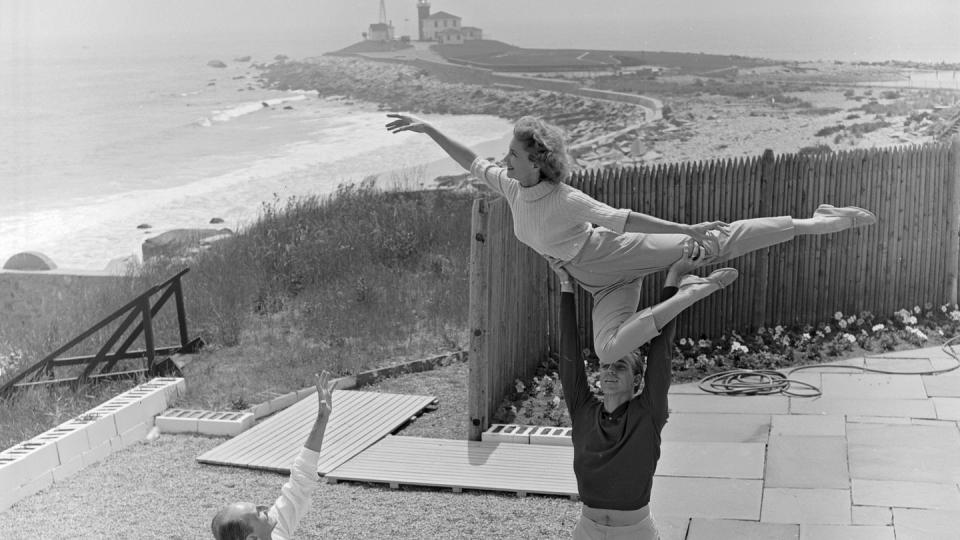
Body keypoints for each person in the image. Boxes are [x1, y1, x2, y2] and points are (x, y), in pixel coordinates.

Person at [385, 113, 877, 364]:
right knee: (607, 351)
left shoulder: (566, 198)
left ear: (537, 160)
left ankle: (817, 221)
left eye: (512, 153)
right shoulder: (511, 187)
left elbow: (626, 218)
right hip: (598, 284)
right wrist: (429, 129)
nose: (504, 159)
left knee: (713, 243)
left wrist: (686, 229)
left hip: (612, 252)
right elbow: (469, 159)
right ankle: (683, 289)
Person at [554, 245, 731, 540]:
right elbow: (568, 357)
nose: (609, 372)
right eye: (606, 366)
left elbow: (662, 351)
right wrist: (566, 286)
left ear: (637, 380)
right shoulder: (584, 410)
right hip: (587, 529)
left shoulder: (647, 413)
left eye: (620, 367)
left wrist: (673, 278)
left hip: (635, 532)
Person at [210, 371, 336, 540]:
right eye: (257, 513)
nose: (265, 507)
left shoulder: (274, 532)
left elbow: (301, 479)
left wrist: (322, 418)